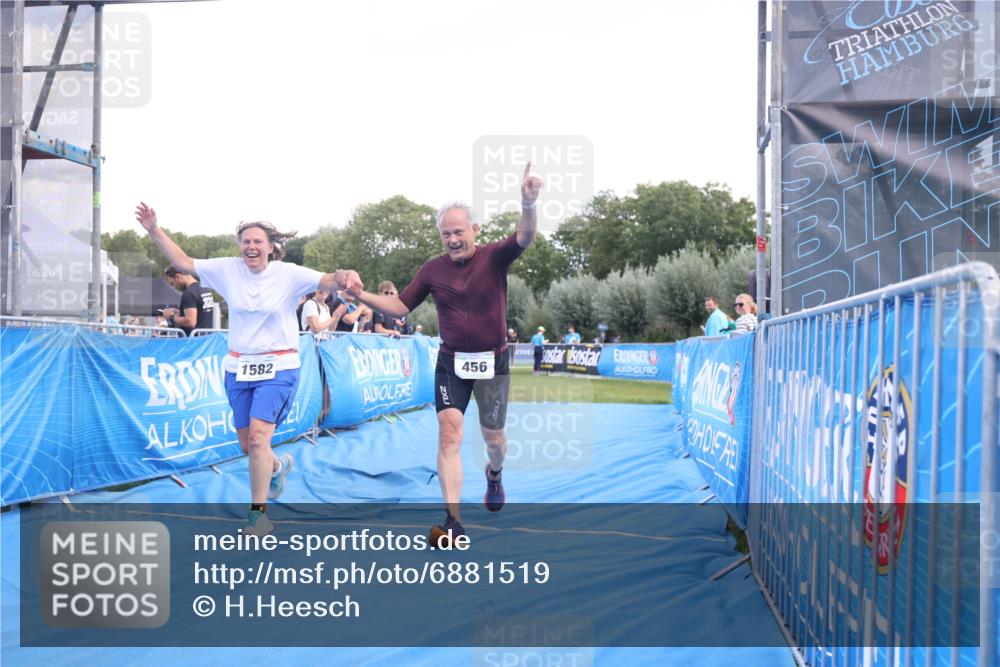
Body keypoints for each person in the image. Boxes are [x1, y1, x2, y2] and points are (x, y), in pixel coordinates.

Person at [135, 202, 363, 536]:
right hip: (238, 367)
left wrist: (346, 276)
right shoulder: (227, 270)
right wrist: (154, 229)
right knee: (249, 446)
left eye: (258, 242)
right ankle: (277, 464)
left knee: (258, 438)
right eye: (246, 242)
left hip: (280, 365)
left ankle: (258, 517)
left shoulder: (290, 274)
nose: (251, 247)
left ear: (271, 247)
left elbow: (331, 279)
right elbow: (183, 263)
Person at [347, 162, 543, 546]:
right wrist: (358, 295)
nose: (452, 239)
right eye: (445, 234)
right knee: (449, 432)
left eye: (458, 231)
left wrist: (528, 203)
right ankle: (453, 521)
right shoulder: (432, 269)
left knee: (495, 441)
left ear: (475, 230)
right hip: (451, 362)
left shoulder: (494, 257)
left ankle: (495, 474)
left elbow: (525, 236)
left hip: (493, 362)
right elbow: (401, 307)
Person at [162, 266, 215, 336]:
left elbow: (190, 321)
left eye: (172, 283)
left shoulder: (189, 293)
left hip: (193, 342)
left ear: (178, 277)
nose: (174, 287)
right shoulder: (205, 288)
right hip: (206, 339)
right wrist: (180, 312)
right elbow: (201, 313)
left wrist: (171, 317)